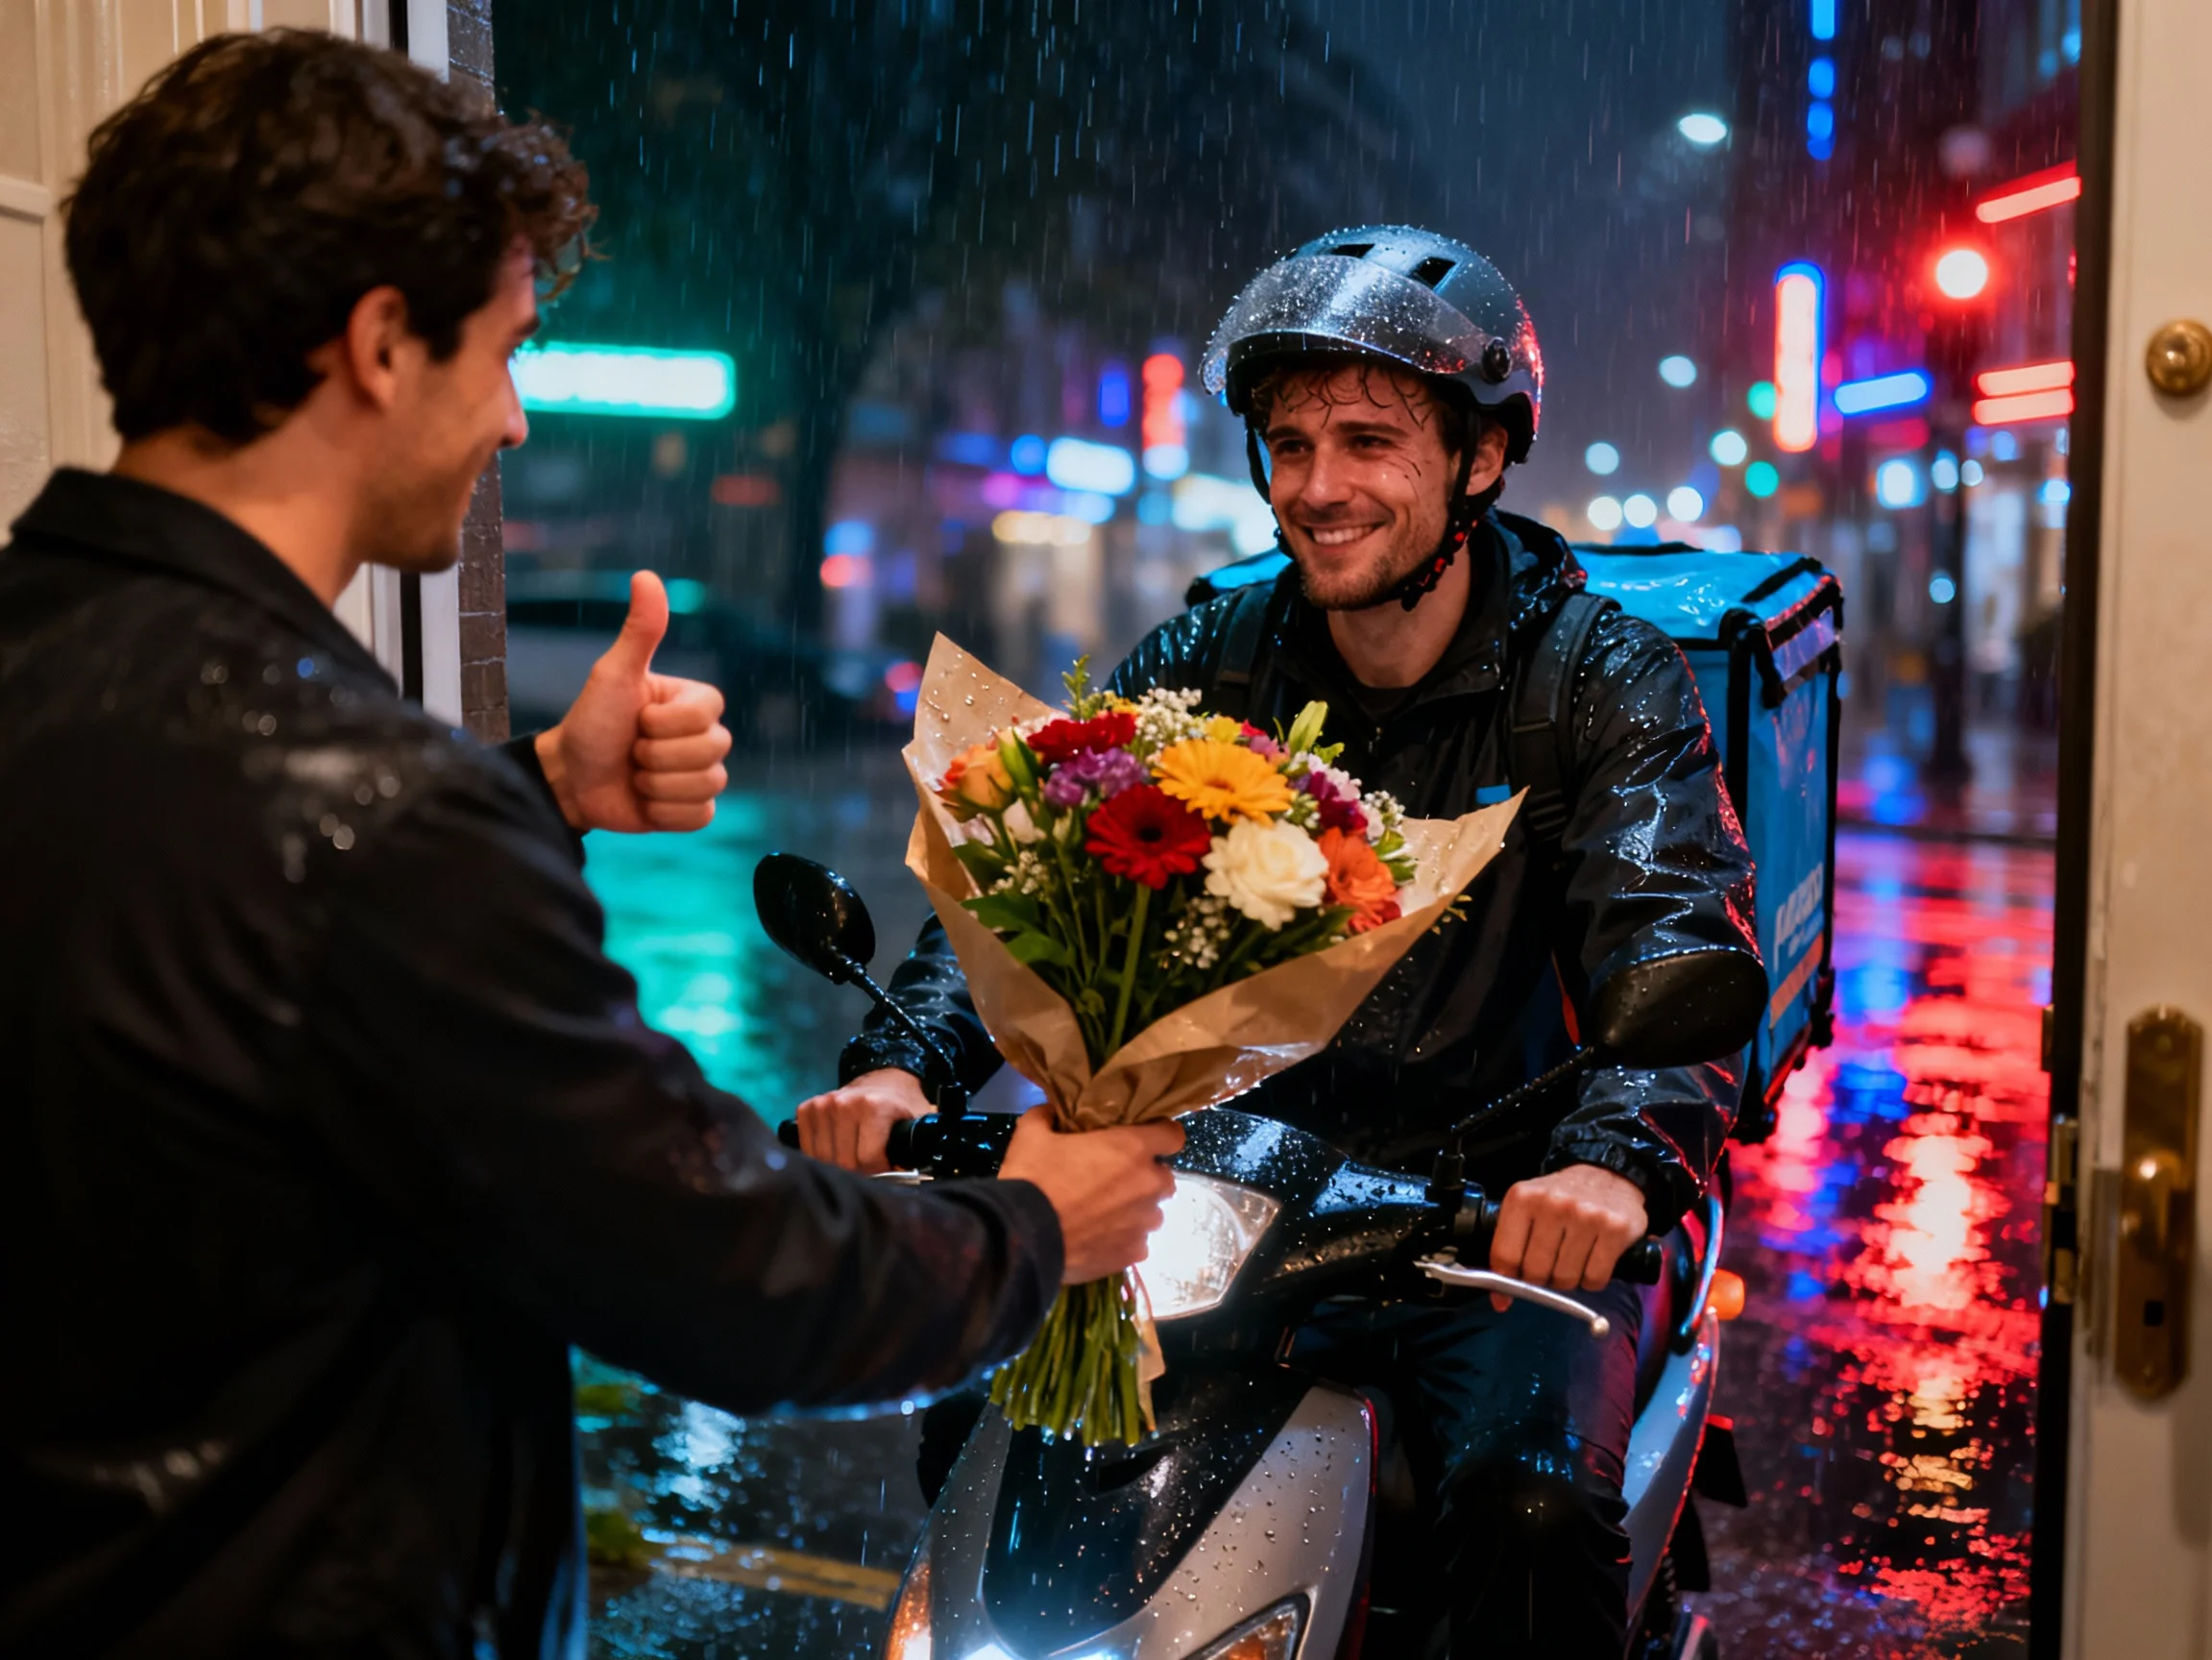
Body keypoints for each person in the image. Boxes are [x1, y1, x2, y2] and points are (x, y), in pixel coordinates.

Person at [0, 30, 1182, 1659]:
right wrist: (1033, 1228)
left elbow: (186, 889)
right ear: (378, 345)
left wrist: (540, 786)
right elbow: (732, 1277)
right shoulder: (386, 822)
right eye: (502, 351)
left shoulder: (54, 660)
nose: (510, 420)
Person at [796, 227, 1762, 1656]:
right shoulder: (1211, 656)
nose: (1317, 487)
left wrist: (1608, 1165)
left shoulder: (1599, 681)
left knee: (1529, 1509)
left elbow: (1673, 922)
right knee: (983, 1412)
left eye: (1369, 442)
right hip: (1221, 1199)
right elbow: (1027, 882)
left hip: (1485, 1224)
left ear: (1481, 459)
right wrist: (902, 1068)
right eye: (1290, 444)